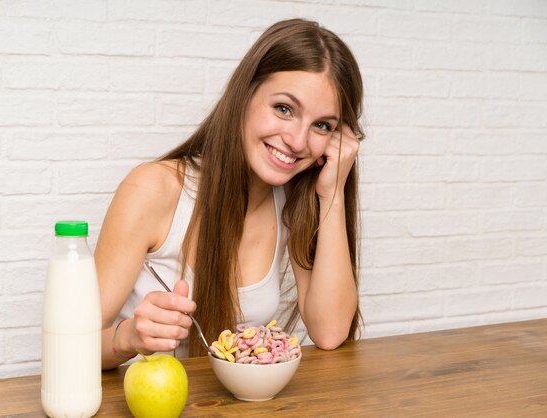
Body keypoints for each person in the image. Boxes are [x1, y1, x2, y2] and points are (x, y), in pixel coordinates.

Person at [95, 18, 364, 369]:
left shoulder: (294, 199)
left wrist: (332, 193)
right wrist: (127, 337)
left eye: (322, 125)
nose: (298, 142)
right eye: (284, 108)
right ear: (245, 95)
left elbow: (329, 333)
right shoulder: (154, 189)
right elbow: (69, 346)